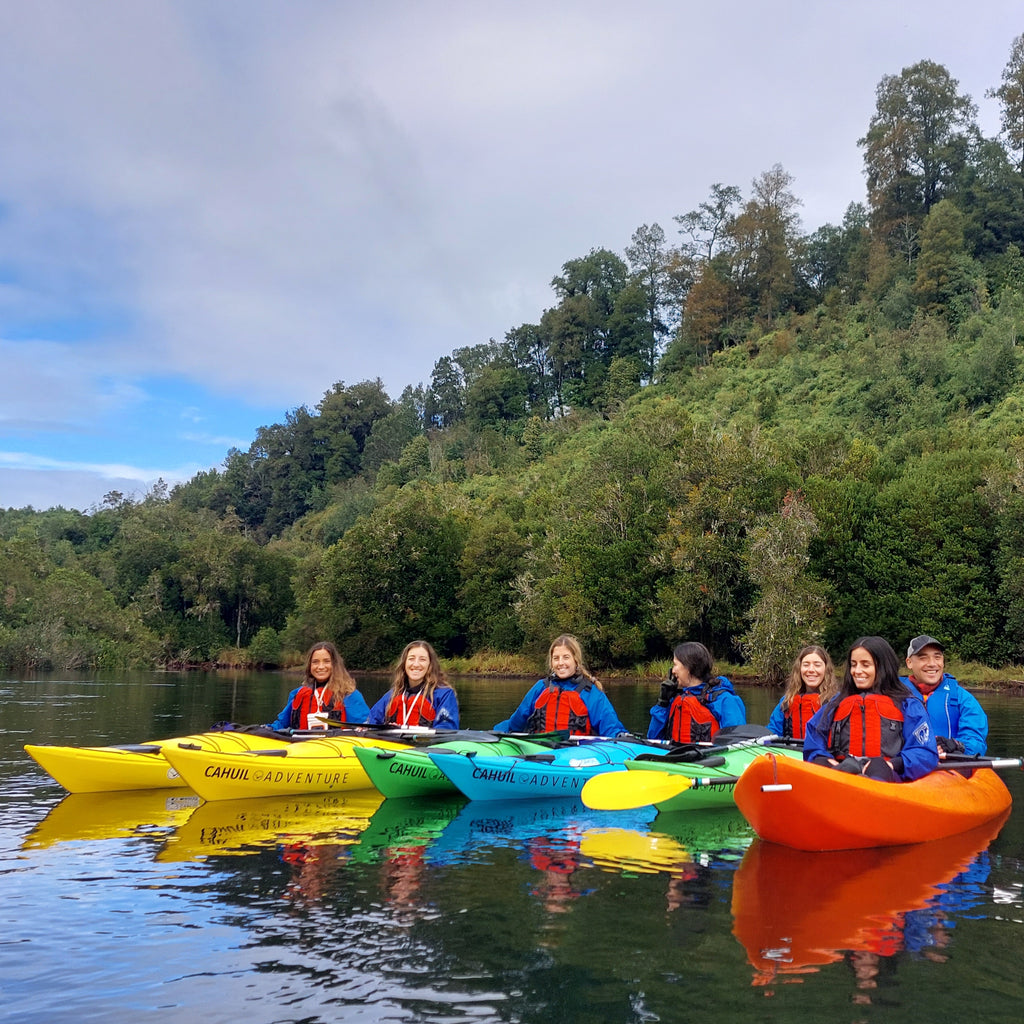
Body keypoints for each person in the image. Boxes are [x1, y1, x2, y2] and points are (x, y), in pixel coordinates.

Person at [803, 636, 938, 782]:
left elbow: (924, 751)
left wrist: (894, 764)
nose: (857, 671)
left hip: (888, 774)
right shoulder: (836, 703)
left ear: (882, 667)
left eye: (865, 665)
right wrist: (822, 758)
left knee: (878, 767)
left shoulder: (907, 705)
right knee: (828, 763)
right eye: (853, 664)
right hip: (843, 770)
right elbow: (813, 739)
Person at [495, 634, 627, 736]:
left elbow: (611, 728)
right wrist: (495, 733)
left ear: (576, 660)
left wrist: (622, 736)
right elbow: (516, 722)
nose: (560, 663)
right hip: (540, 751)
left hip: (577, 755)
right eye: (556, 658)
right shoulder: (541, 687)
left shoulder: (590, 692)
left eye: (566, 657)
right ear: (551, 662)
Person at [902, 635, 988, 757]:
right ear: (909, 663)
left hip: (950, 767)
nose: (932, 664)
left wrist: (957, 745)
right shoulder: (893, 695)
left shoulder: (963, 699)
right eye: (923, 658)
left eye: (937, 657)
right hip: (906, 766)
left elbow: (976, 741)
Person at [647, 641, 746, 743]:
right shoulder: (675, 699)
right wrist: (662, 703)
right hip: (676, 755)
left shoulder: (724, 700)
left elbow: (737, 743)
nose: (673, 671)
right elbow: (653, 739)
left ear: (689, 667)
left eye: (675, 665)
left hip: (710, 757)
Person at [268, 641, 369, 730]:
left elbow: (364, 727)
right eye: (315, 662)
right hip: (302, 746)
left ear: (334, 664)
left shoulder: (349, 695)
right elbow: (281, 724)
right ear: (310, 666)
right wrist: (264, 729)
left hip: (336, 748)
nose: (320, 667)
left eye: (326, 661)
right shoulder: (298, 694)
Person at [367, 640, 459, 730]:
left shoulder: (444, 694)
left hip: (426, 743)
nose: (416, 664)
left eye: (422, 659)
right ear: (404, 663)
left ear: (430, 664)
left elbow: (447, 729)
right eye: (411, 659)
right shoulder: (392, 695)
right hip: (394, 742)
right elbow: (371, 722)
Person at [767, 645, 838, 740]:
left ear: (826, 669)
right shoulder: (787, 701)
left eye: (817, 665)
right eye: (806, 665)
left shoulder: (836, 702)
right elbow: (772, 732)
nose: (811, 670)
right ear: (799, 669)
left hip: (823, 754)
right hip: (791, 752)